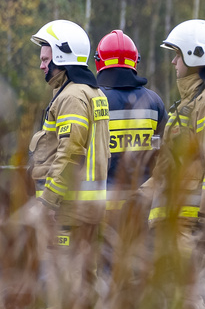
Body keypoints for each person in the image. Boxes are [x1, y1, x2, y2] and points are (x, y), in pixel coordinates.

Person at [139, 19, 205, 304]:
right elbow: (167, 169)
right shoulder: (188, 104)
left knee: (189, 302)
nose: (173, 62)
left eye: (177, 55)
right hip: (173, 223)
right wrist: (140, 196)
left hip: (190, 225)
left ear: (195, 56)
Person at [29, 20, 110, 290]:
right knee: (86, 281)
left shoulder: (71, 98)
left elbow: (70, 154)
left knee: (64, 286)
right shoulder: (90, 92)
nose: (41, 65)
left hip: (68, 209)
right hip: (87, 207)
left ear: (63, 57)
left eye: (46, 59)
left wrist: (47, 203)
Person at [94, 30, 166, 276]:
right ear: (135, 62)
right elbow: (165, 156)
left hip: (103, 210)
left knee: (105, 276)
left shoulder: (95, 100)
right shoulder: (155, 103)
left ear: (99, 61)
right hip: (143, 209)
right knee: (139, 275)